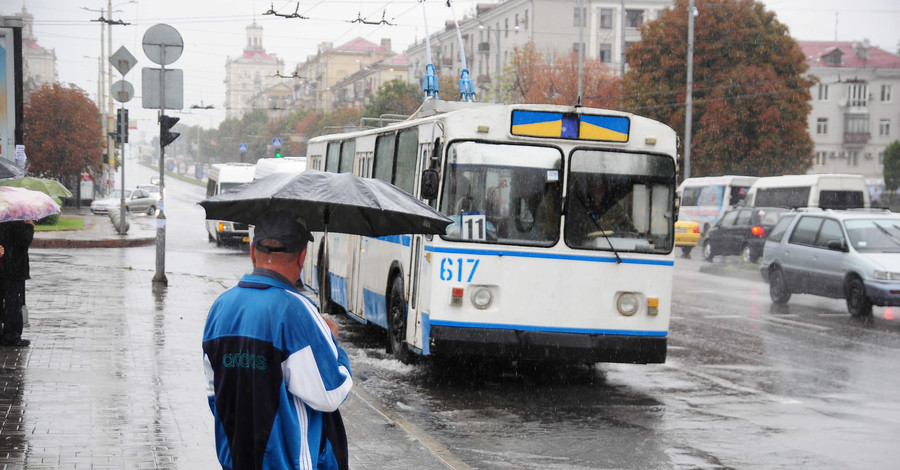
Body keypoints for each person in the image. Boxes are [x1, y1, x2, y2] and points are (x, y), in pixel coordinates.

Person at [202, 212, 353, 470]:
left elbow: (215, 394)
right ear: (302, 257)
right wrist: (334, 347)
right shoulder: (297, 311)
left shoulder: (220, 307)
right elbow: (330, 394)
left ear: (252, 251)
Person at [567, 176, 635, 247]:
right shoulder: (581, 207)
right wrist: (585, 237)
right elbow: (573, 233)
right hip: (586, 248)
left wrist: (633, 235)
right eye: (594, 187)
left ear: (605, 188)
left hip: (613, 246)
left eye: (600, 187)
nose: (597, 190)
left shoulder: (614, 207)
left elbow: (629, 228)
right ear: (590, 189)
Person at [0, 220, 34, 348]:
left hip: (3, 266)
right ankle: (11, 336)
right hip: (14, 269)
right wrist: (30, 226)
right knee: (13, 304)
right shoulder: (17, 221)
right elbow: (24, 241)